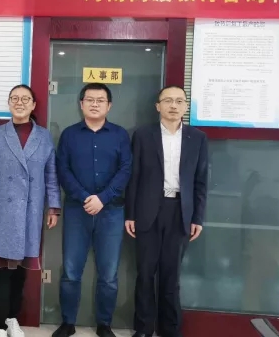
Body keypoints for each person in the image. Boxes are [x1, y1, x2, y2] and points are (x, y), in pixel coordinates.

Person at [0, 84, 61, 337]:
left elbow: (51, 175)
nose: (20, 102)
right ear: (9, 103)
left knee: (21, 272)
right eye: (15, 98)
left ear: (33, 105)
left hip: (30, 212)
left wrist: (53, 207)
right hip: (2, 212)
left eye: (26, 99)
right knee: (2, 272)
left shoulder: (43, 137)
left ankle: (12, 318)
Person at [125, 85, 208, 337]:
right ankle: (143, 328)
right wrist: (130, 214)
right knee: (145, 273)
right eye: (168, 100)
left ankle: (170, 329)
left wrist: (197, 217)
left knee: (172, 276)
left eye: (179, 101)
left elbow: (201, 181)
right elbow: (134, 177)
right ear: (158, 106)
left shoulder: (198, 138)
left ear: (186, 106)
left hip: (180, 211)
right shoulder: (143, 135)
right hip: (148, 210)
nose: (173, 105)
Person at [53, 83, 132, 337]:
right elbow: (62, 170)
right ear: (81, 104)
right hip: (77, 211)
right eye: (90, 99)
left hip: (111, 212)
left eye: (100, 100)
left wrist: (103, 198)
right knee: (71, 271)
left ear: (109, 105)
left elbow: (126, 170)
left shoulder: (120, 135)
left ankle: (104, 324)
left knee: (109, 274)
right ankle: (68, 322)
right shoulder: (69, 135)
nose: (95, 104)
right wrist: (85, 197)